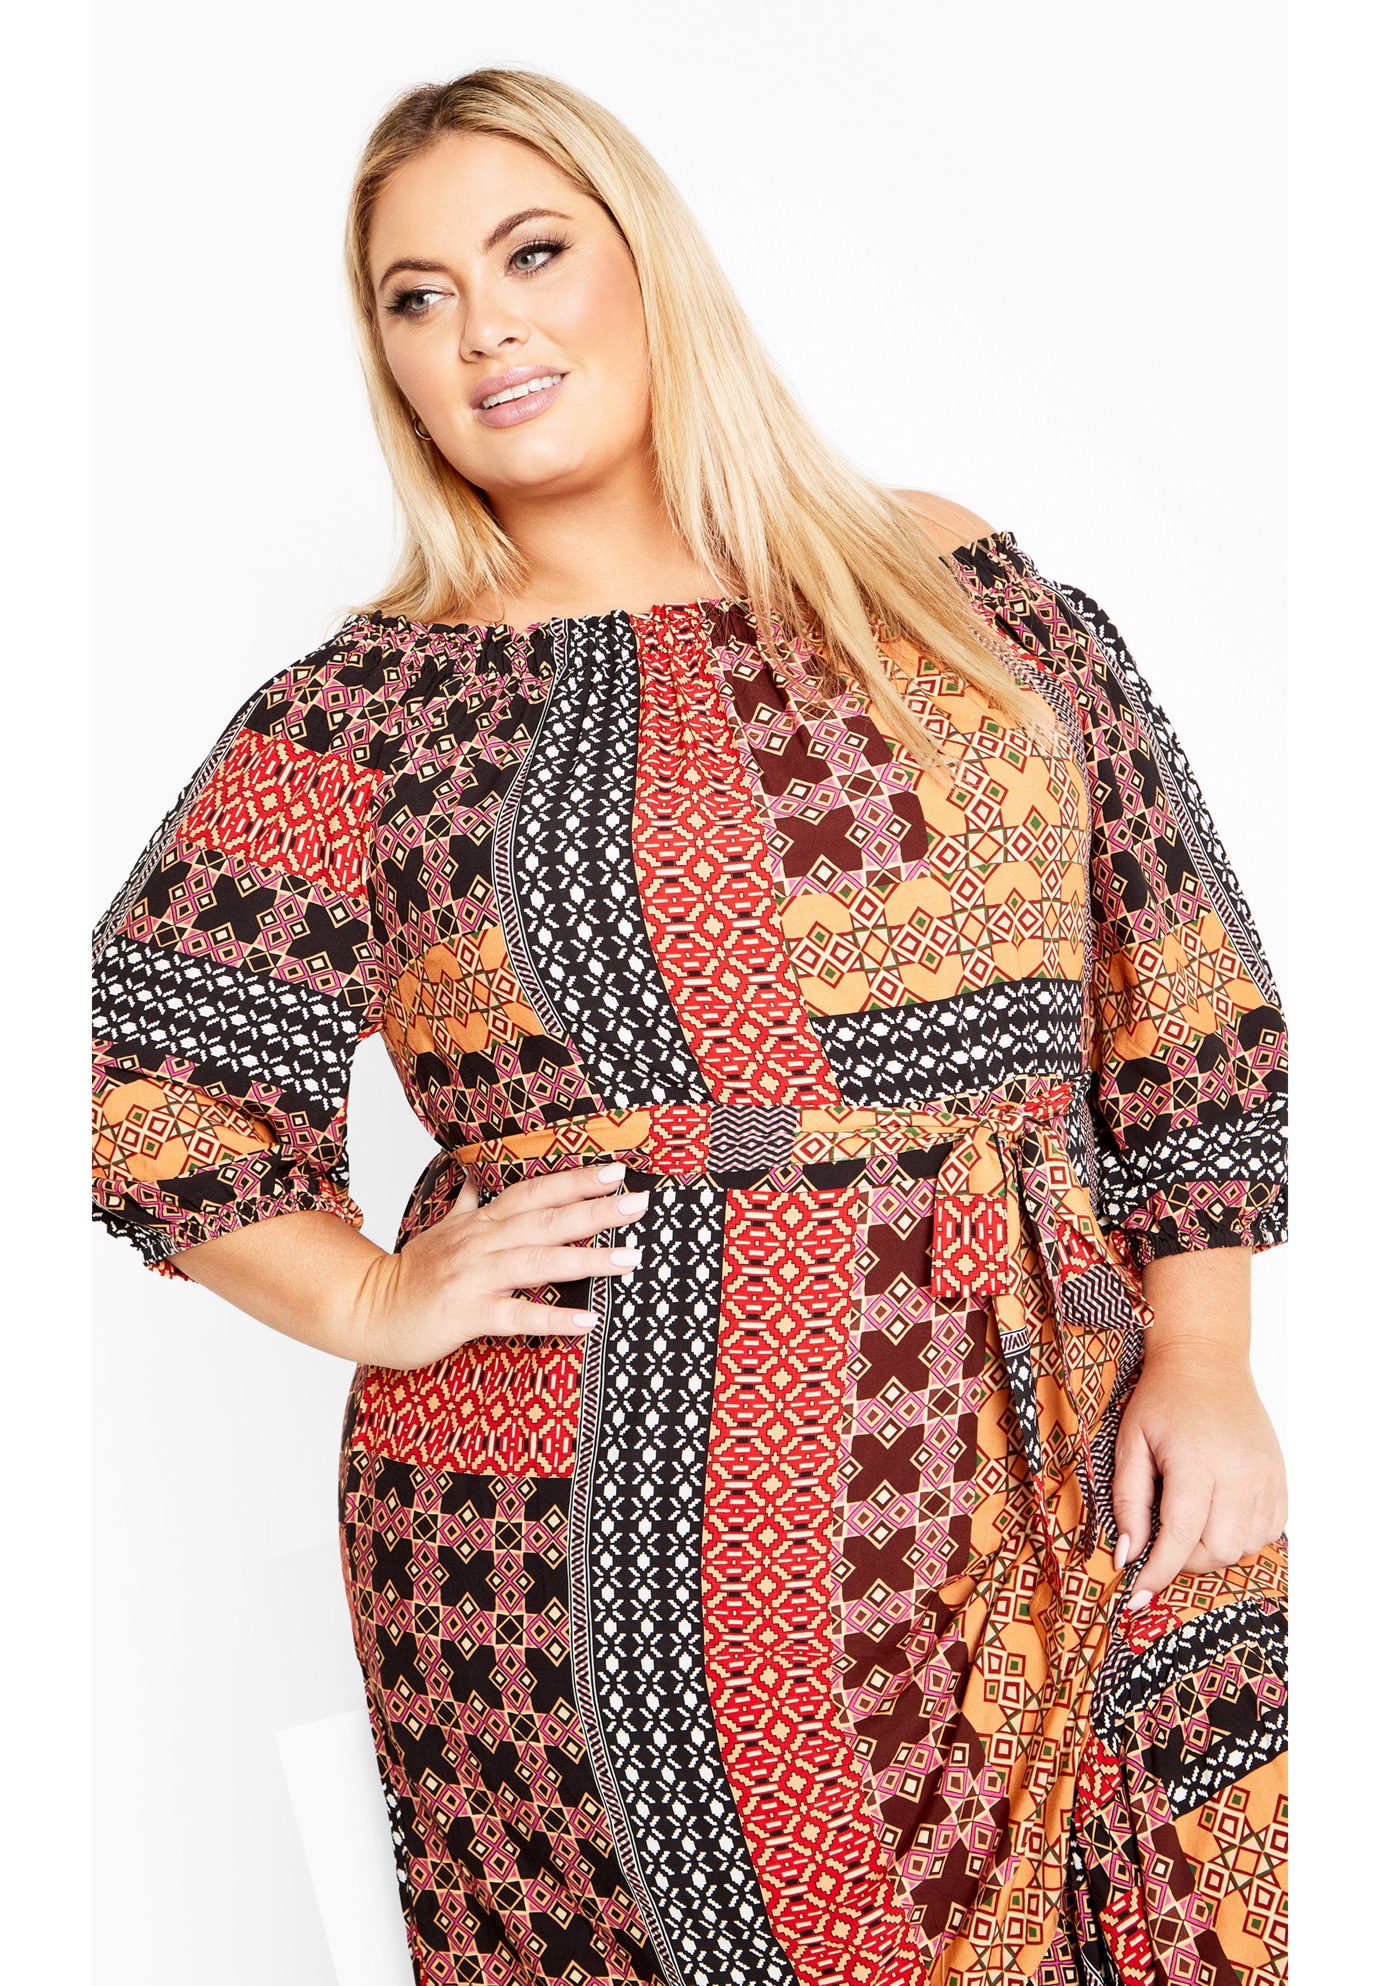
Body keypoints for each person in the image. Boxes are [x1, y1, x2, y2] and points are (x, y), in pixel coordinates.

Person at [91, 68, 1288, 1986]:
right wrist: (371, 1298)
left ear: (649, 264)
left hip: (1055, 1425)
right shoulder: (369, 706)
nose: (483, 330)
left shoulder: (948, 580)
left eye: (531, 254)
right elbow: (163, 1076)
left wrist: (1208, 1351)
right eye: (415, 297)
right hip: (591, 1512)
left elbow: (1178, 964)